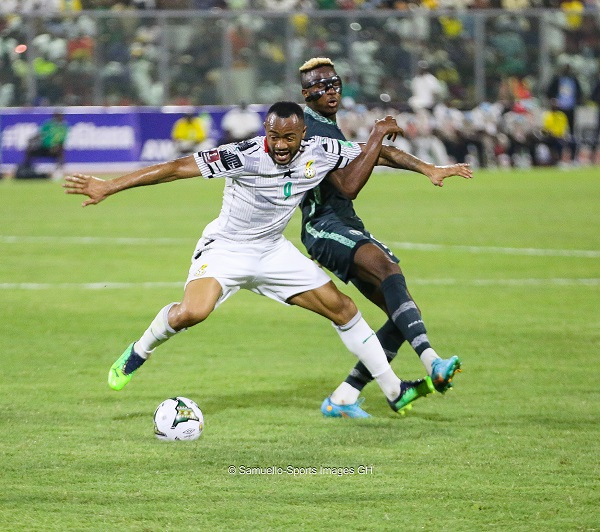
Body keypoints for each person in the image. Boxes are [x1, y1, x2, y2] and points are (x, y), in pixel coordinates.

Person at [63, 101, 434, 415]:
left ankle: (393, 390)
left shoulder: (322, 150)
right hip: (227, 248)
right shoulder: (243, 156)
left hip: (273, 251)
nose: (281, 145)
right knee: (193, 312)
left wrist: (428, 169)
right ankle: (139, 350)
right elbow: (176, 168)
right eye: (274, 137)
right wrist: (109, 186)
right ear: (265, 132)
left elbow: (378, 153)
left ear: (303, 134)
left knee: (345, 310)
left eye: (289, 138)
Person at [298, 57, 473, 418]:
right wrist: (377, 133)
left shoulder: (328, 126)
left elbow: (375, 154)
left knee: (402, 312)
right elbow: (348, 187)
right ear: (306, 94)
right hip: (324, 225)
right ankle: (433, 362)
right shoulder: (311, 133)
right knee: (387, 268)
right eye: (321, 86)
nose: (331, 91)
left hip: (344, 224)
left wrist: (429, 168)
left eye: (335, 83)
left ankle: (345, 396)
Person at [545, 64, 583, 163]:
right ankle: (559, 158)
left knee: (571, 134)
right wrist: (554, 101)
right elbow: (549, 91)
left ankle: (573, 158)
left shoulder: (573, 80)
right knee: (560, 134)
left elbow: (579, 92)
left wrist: (577, 101)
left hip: (570, 108)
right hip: (560, 108)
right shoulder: (558, 79)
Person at [19, 111, 69, 181]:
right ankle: (26, 170)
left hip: (54, 149)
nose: (59, 118)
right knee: (29, 150)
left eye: (60, 116)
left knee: (60, 151)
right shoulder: (48, 124)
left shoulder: (63, 127)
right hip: (44, 147)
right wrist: (31, 139)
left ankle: (58, 172)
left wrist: (56, 146)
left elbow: (62, 140)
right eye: (57, 116)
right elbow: (40, 134)